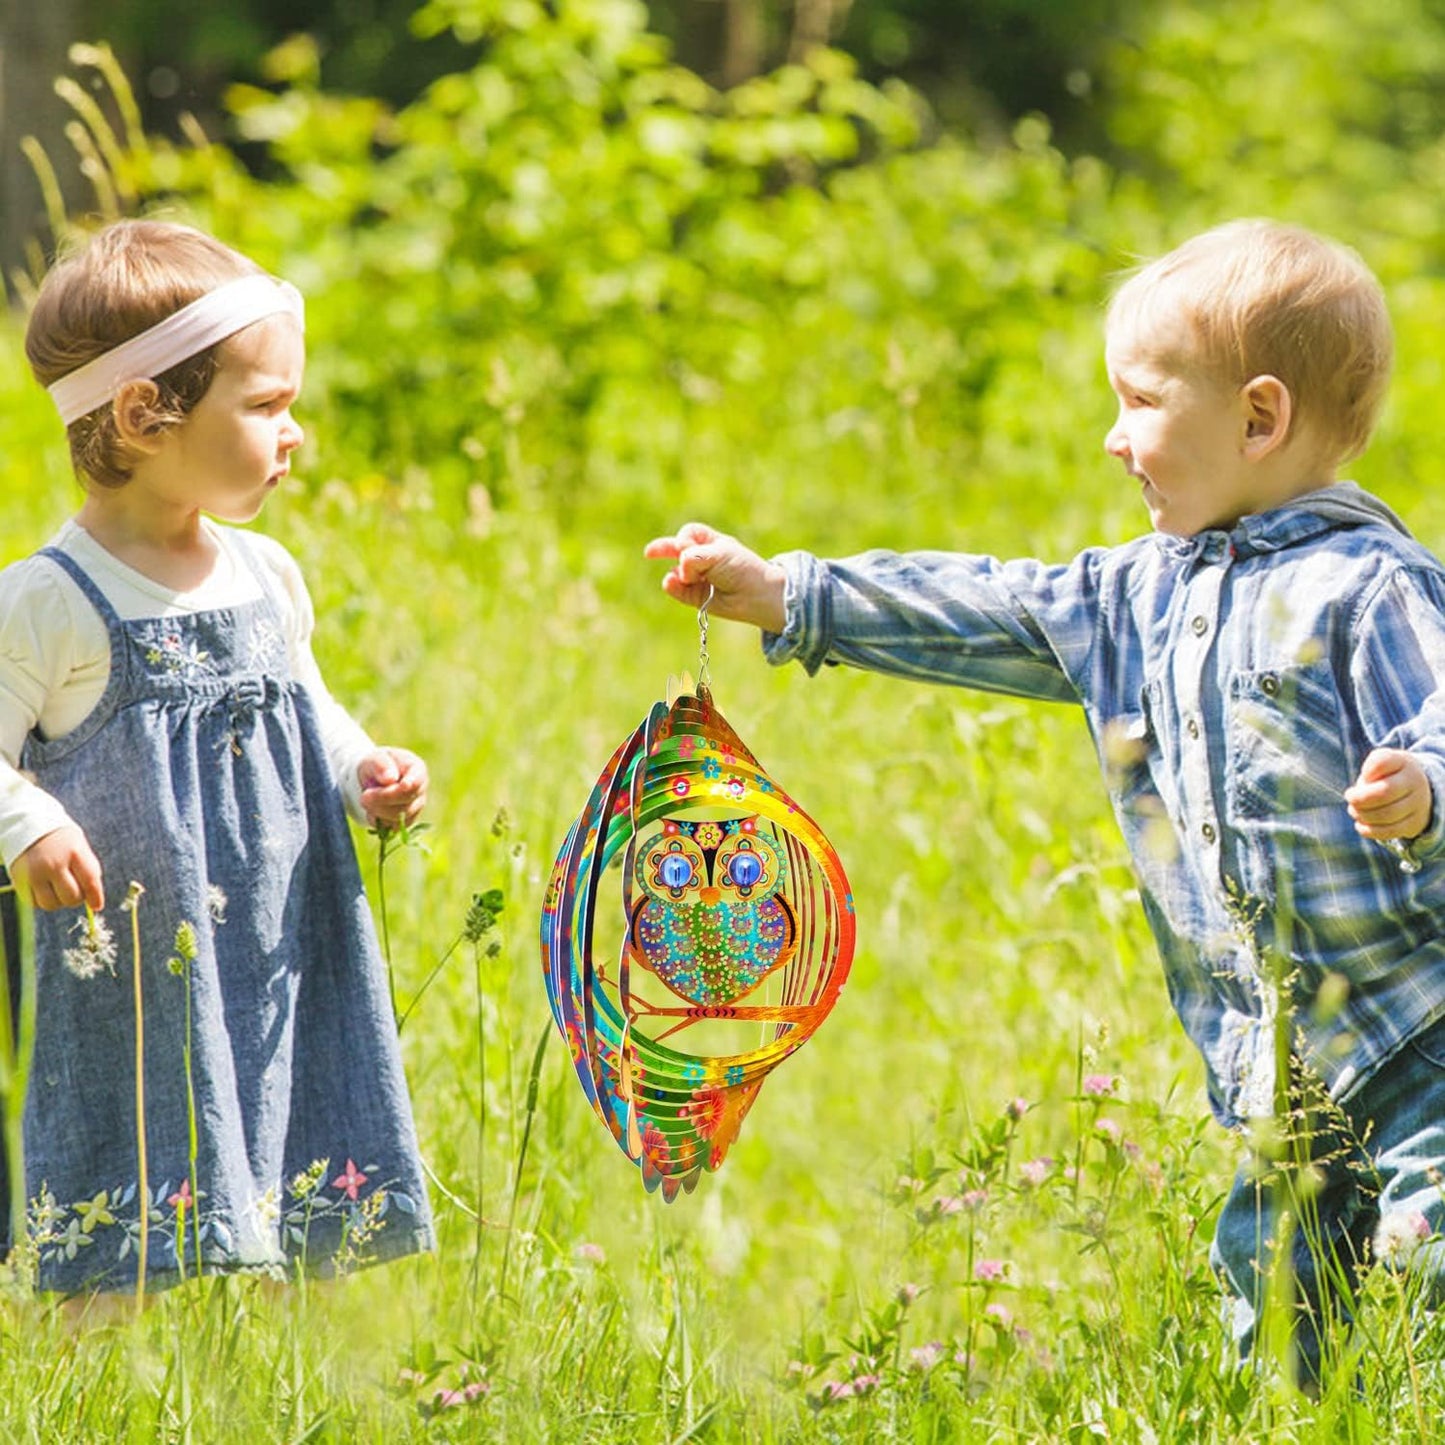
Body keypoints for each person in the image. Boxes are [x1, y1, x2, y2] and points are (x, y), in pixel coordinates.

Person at [646, 219, 1445, 1385]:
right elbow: (979, 606)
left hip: (1416, 1031)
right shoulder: (1130, 593)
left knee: (1427, 1259)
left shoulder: (1363, 588)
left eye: (1140, 402)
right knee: (1272, 1316)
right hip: (1272, 1062)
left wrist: (1422, 787)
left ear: (1257, 418)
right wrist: (783, 591)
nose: (1113, 438)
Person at [3, 218, 433, 1293]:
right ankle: (92, 1352)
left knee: (298, 1098)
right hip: (131, 968)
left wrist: (362, 768)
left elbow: (307, 706)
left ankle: (291, 1349)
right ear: (146, 414)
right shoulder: (48, 602)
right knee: (126, 1150)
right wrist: (33, 822)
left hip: (284, 933)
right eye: (267, 405)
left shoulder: (265, 570)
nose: (295, 433)